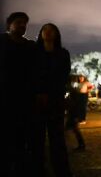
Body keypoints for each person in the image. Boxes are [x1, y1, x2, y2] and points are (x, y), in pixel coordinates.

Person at [33, 23, 72, 177]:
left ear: (57, 34)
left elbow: (63, 75)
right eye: (45, 30)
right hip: (37, 100)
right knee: (37, 138)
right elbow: (30, 74)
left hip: (56, 99)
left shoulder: (63, 53)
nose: (48, 33)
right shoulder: (34, 52)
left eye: (51, 30)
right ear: (41, 33)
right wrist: (38, 91)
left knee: (57, 138)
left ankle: (62, 170)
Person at [0, 12, 36, 176]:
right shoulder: (2, 41)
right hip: (6, 96)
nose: (22, 25)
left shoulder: (30, 46)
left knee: (22, 135)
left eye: (25, 23)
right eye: (19, 22)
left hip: (25, 98)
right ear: (9, 24)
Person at [65, 76, 87, 152]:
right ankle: (80, 144)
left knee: (73, 129)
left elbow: (75, 104)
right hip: (72, 113)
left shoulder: (74, 92)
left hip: (73, 113)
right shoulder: (73, 91)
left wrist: (76, 115)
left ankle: (79, 145)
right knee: (72, 129)